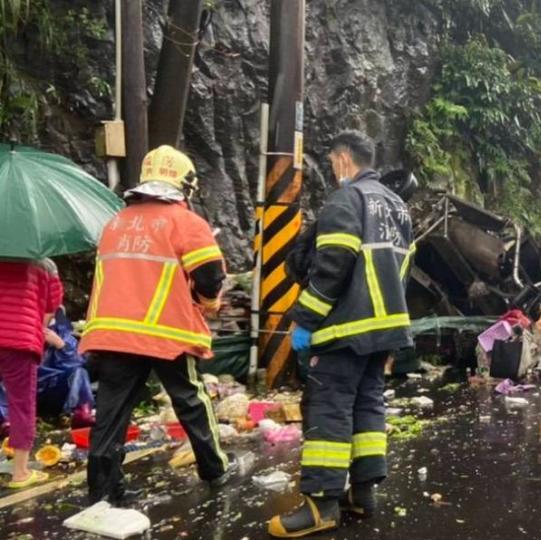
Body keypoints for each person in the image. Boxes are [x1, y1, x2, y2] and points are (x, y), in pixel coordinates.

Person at [269, 130, 415, 537]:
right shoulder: (398, 206)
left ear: (343, 159)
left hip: (346, 327)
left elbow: (333, 263)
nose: (334, 170)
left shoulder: (346, 200)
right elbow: (402, 272)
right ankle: (362, 495)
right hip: (383, 329)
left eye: (333, 162)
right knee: (367, 406)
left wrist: (305, 318)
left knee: (328, 407)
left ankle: (321, 505)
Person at [79, 145, 233, 504]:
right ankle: (214, 470)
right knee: (191, 402)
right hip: (167, 334)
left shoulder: (115, 222)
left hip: (114, 333)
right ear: (184, 184)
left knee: (112, 412)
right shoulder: (186, 222)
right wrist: (208, 304)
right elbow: (210, 276)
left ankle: (103, 490)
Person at [0, 258, 63, 488]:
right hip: (20, 340)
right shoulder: (44, 264)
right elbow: (50, 307)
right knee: (21, 404)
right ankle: (20, 472)